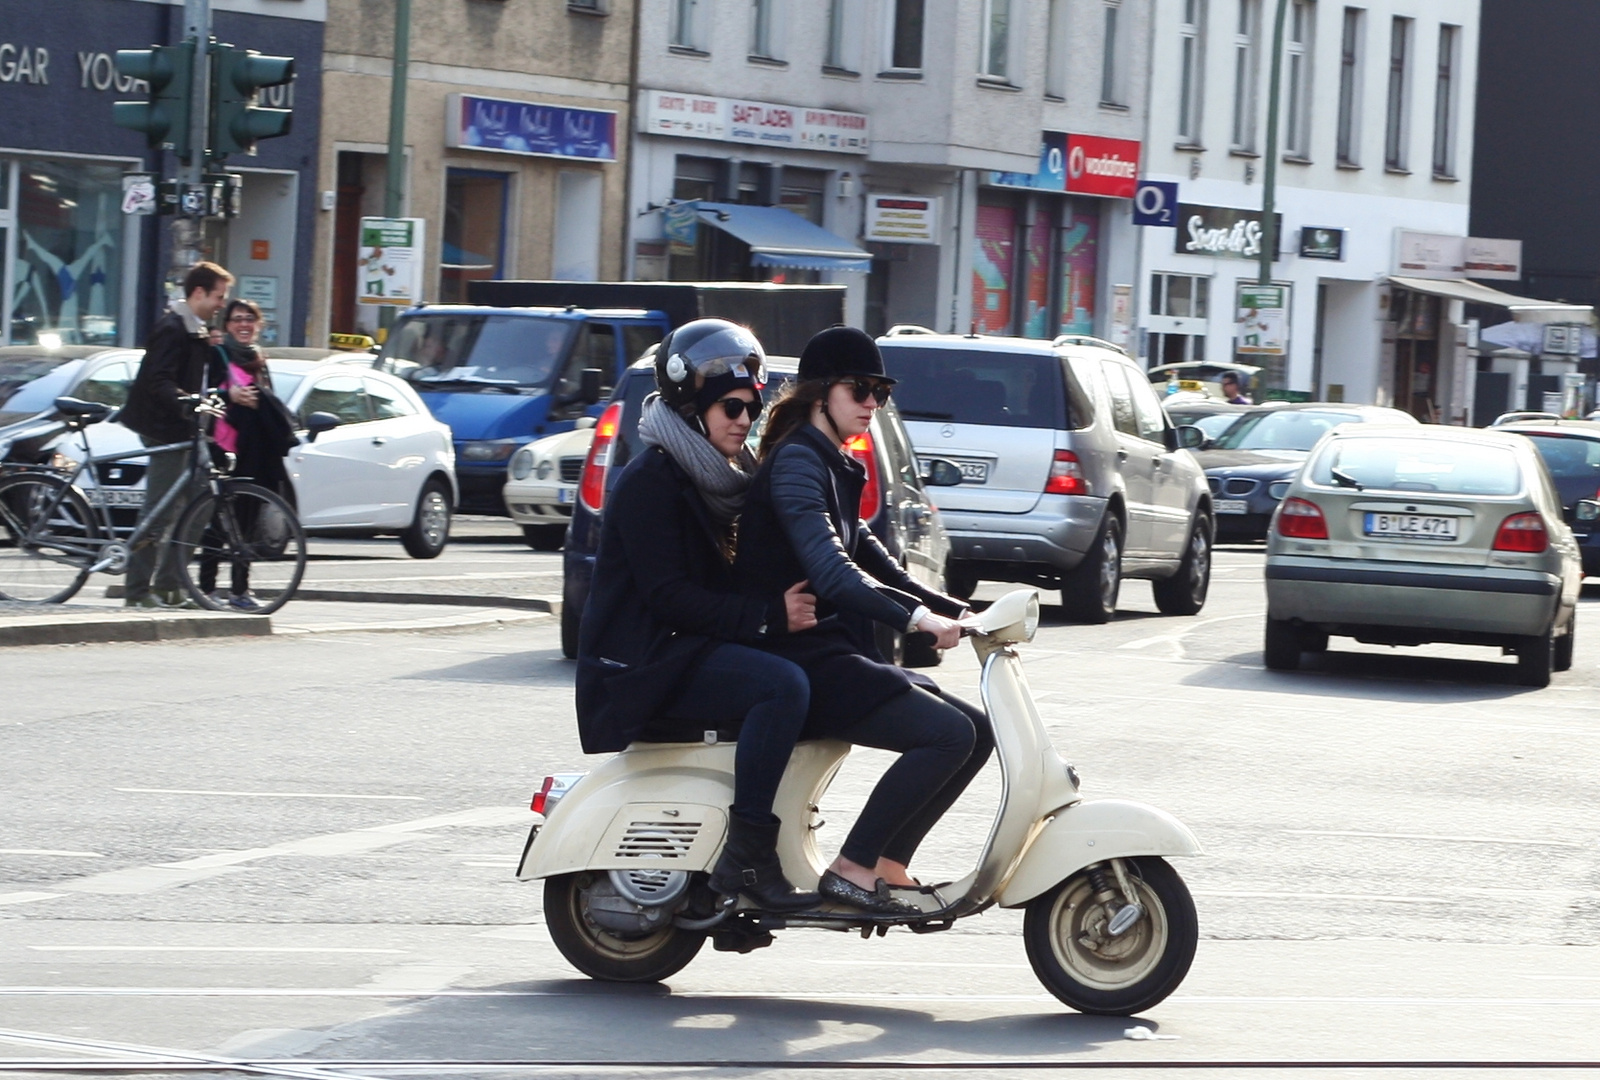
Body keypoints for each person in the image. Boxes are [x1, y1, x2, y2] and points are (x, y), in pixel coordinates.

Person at [736, 325, 995, 916]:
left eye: (881, 390)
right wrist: (918, 620)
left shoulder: (833, 464)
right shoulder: (799, 463)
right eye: (861, 389)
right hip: (796, 655)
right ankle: (852, 868)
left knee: (976, 731)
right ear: (820, 392)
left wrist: (962, 613)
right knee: (947, 734)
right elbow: (832, 573)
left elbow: (882, 564)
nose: (874, 402)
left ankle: (886, 864)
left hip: (827, 652)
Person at [575, 318, 821, 912]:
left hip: (678, 648)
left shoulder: (714, 481)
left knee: (813, 672)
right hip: (639, 664)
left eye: (751, 409)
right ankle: (747, 859)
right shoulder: (651, 483)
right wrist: (767, 618)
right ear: (693, 411)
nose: (743, 420)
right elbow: (670, 597)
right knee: (781, 687)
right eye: (730, 407)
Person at [119, 262, 234, 609]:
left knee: (199, 504)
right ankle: (137, 592)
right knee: (160, 510)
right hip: (163, 427)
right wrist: (185, 402)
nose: (221, 304)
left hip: (186, 429)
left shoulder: (196, 328)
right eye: (218, 296)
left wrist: (206, 397)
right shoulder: (173, 327)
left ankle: (171, 585)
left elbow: (192, 378)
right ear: (198, 293)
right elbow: (159, 381)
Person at [202, 298, 298, 611]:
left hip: (255, 449)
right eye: (236, 320)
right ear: (227, 326)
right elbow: (206, 397)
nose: (243, 325)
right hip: (225, 445)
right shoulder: (219, 355)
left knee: (246, 520)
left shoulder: (259, 360)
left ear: (258, 325)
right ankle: (206, 587)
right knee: (218, 519)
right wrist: (230, 397)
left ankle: (240, 590)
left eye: (249, 320)